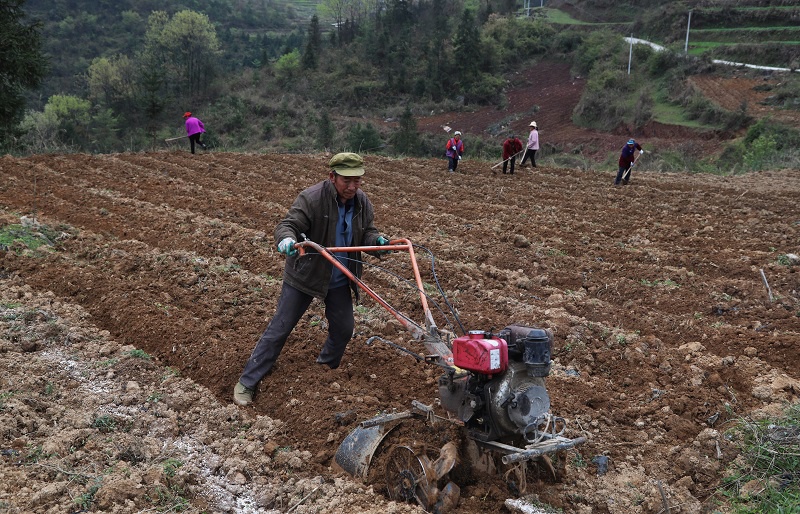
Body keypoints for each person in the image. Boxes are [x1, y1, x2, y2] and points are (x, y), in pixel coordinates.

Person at [233, 152, 392, 406]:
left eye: (357, 180)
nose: (352, 187)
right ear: (332, 177)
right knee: (281, 328)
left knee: (344, 329)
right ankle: (247, 382)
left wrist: (378, 242)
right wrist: (286, 240)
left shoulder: (361, 201)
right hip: (307, 275)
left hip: (339, 277)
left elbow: (367, 232)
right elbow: (288, 225)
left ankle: (324, 369)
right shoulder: (312, 198)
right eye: (347, 180)